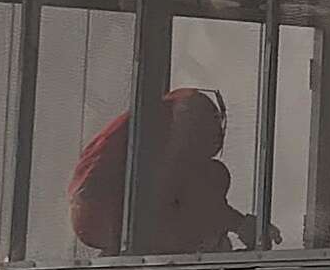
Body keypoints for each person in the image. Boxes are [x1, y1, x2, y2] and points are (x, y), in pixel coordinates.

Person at [65, 86, 250, 254]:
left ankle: (119, 252)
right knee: (215, 175)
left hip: (96, 214)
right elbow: (185, 184)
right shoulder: (187, 111)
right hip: (111, 210)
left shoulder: (162, 118)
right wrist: (240, 225)